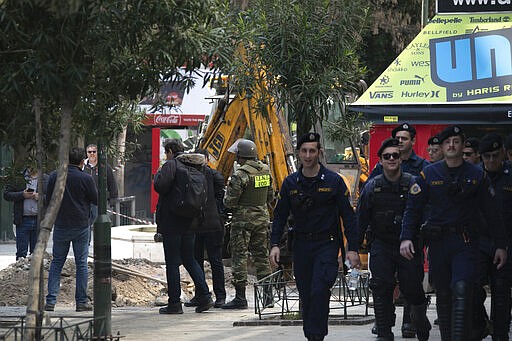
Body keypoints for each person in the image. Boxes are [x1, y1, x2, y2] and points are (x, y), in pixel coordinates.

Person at [400, 125, 507, 340]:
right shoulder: (429, 173)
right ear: (442, 146)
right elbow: (413, 208)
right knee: (444, 293)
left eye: (456, 142)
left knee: (462, 289)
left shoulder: (477, 175)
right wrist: (406, 237)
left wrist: (500, 245)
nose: (451, 145)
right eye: (447, 142)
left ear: (462, 145)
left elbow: (492, 213)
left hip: (465, 242)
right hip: (438, 242)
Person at [270, 132, 360, 341]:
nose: (308, 155)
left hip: (326, 245)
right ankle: (312, 335)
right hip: (301, 247)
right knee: (306, 295)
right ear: (299, 153)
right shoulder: (291, 183)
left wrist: (352, 249)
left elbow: (348, 217)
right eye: (304, 151)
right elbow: (280, 216)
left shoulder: (334, 181)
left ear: (319, 153)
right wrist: (274, 244)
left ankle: (315, 336)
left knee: (320, 290)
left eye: (312, 151)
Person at [358, 138, 431, 341]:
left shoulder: (413, 183)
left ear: (400, 159)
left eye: (395, 156)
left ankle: (418, 319)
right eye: (386, 156)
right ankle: (384, 331)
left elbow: (425, 212)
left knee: (412, 288)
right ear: (380, 160)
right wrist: (353, 249)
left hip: (408, 245)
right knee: (381, 287)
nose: (391, 159)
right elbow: (361, 220)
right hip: (381, 243)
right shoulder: (372, 187)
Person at [154, 139, 214, 314]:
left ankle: (174, 304)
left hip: (172, 222)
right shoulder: (194, 166)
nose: (166, 156)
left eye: (166, 152)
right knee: (189, 259)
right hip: (191, 221)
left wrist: (159, 174)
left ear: (171, 151)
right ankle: (205, 295)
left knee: (172, 262)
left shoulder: (171, 165)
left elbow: (160, 186)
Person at [221, 139, 274, 310]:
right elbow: (270, 197)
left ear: (240, 156)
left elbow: (229, 202)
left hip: (243, 222)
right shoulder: (266, 171)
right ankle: (268, 298)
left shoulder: (240, 175)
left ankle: (240, 298)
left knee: (240, 257)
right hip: (262, 219)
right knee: (262, 257)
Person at [45, 147, 98, 312]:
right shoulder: (85, 178)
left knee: (57, 262)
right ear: (82, 162)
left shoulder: (55, 176)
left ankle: (51, 301)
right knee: (81, 263)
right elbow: (95, 198)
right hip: (81, 225)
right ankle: (81, 302)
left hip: (61, 224)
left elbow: (48, 198)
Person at [473, 133, 512, 340]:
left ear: (503, 154)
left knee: (501, 291)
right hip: (479, 242)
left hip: (505, 242)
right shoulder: (475, 176)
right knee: (472, 288)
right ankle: (481, 324)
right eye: (486, 156)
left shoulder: (510, 175)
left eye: (495, 156)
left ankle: (500, 332)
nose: (491, 161)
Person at [185, 148, 227, 309]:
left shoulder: (210, 176)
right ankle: (205, 295)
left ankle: (216, 295)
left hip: (206, 224)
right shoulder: (212, 175)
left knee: (210, 260)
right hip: (205, 224)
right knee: (201, 260)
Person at [3, 167, 48, 260]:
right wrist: (22, 195)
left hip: (39, 220)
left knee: (36, 253)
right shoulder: (19, 178)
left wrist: (40, 197)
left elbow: (53, 197)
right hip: (23, 220)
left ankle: (35, 273)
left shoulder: (46, 178)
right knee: (21, 253)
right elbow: (7, 194)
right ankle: (20, 272)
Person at [82, 144, 118, 228]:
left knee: (99, 225)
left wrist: (113, 198)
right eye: (89, 152)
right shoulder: (82, 166)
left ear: (97, 153)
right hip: (85, 201)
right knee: (86, 225)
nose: (92, 154)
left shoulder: (105, 166)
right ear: (86, 153)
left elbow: (112, 183)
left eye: (94, 152)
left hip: (100, 201)